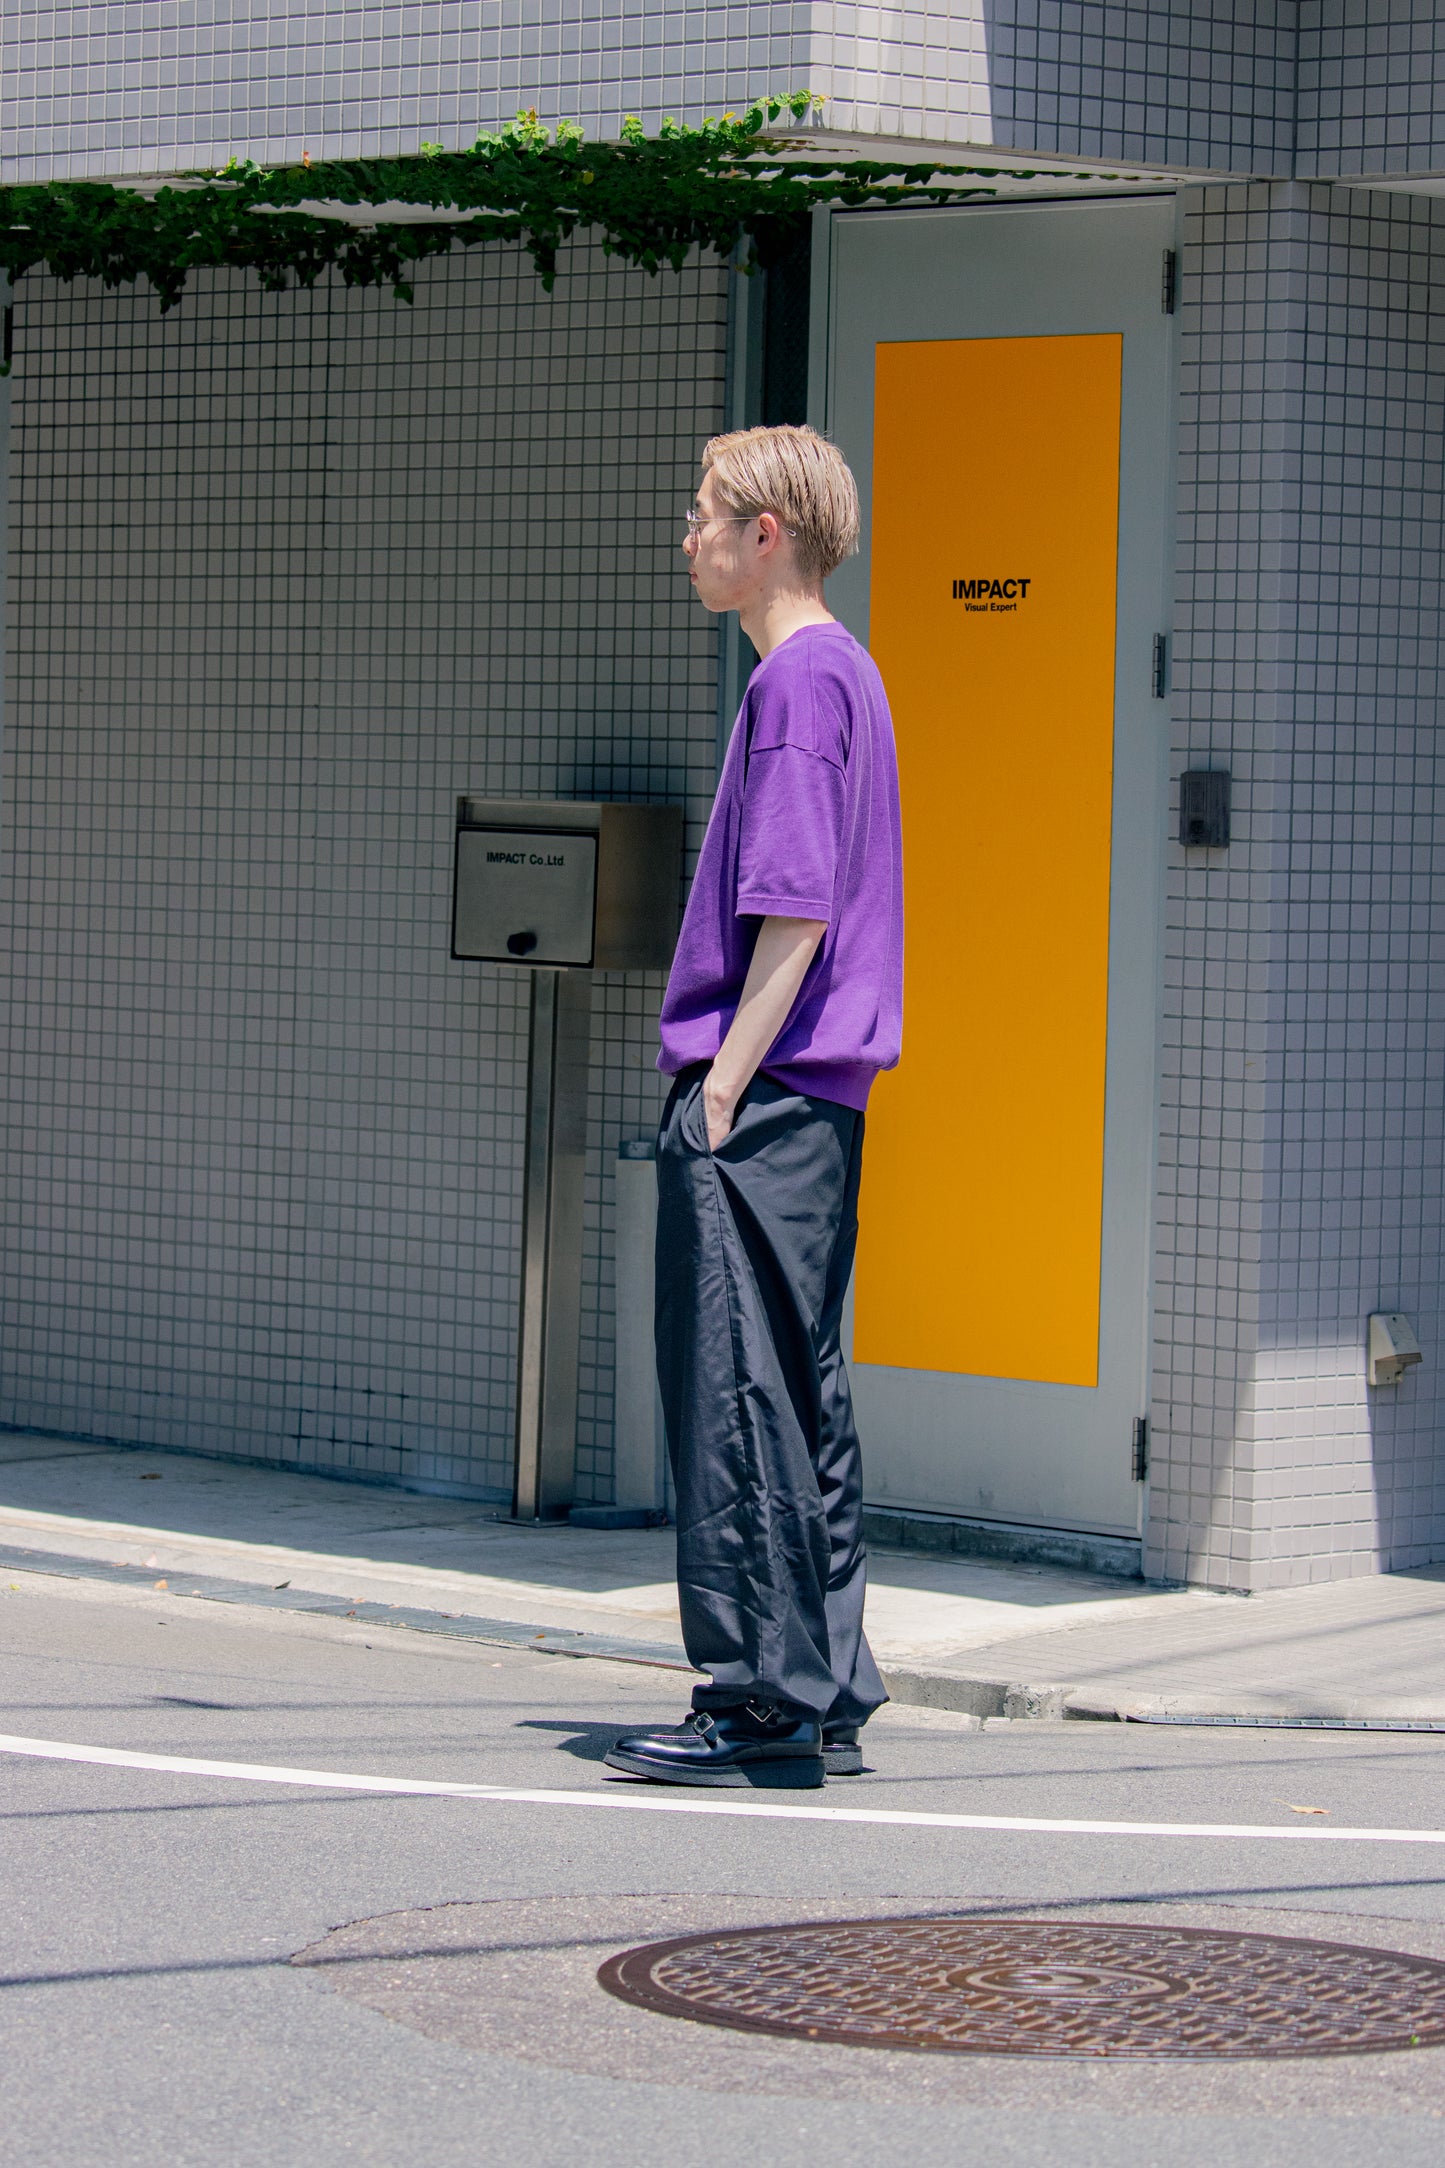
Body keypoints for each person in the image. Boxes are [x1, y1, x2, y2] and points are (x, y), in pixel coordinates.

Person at [604, 424, 904, 1790]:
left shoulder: (794, 684)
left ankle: (756, 1697)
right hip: (818, 1104)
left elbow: (792, 912)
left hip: (762, 1093)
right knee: (798, 1385)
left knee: (734, 1389)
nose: (688, 536)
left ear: (764, 533)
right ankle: (826, 1687)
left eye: (704, 513)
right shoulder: (851, 674)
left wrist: (718, 1089)